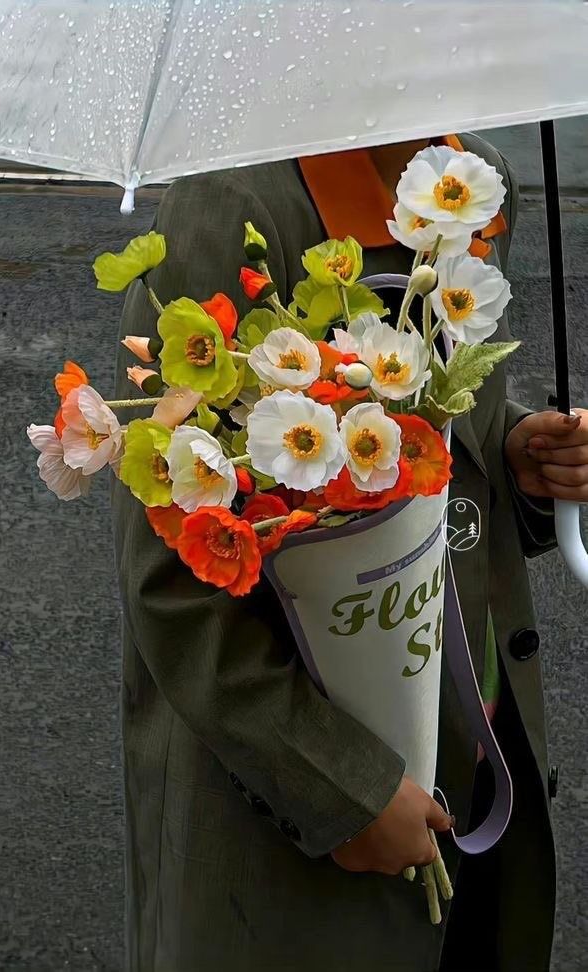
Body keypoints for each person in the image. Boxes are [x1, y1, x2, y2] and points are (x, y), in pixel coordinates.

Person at [110, 132, 588, 972]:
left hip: (471, 767)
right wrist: (342, 792)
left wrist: (516, 461)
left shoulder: (465, 176)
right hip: (294, 840)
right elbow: (172, 574)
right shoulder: (234, 205)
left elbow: (444, 428)